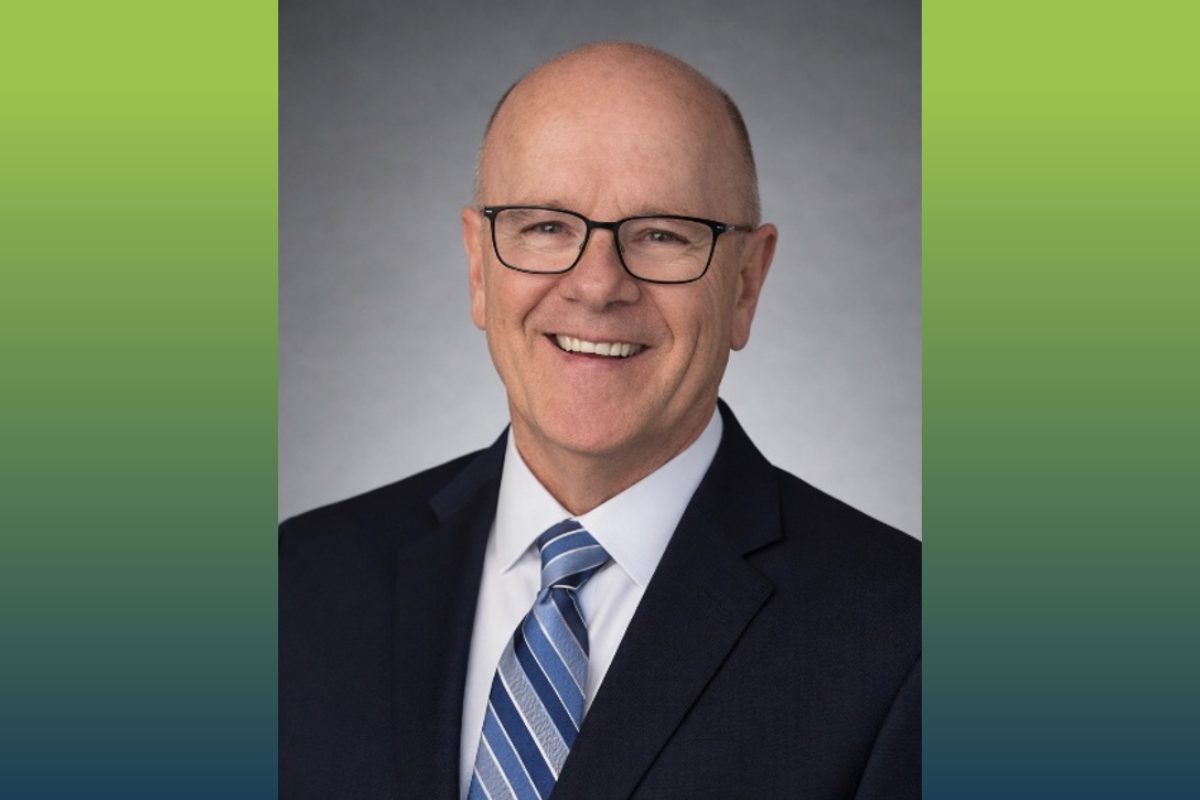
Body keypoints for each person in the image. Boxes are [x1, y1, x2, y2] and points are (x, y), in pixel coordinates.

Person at [280, 42, 919, 800]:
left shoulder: (906, 637)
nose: (596, 285)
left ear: (746, 282)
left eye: (662, 233)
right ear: (479, 266)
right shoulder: (294, 585)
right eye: (546, 227)